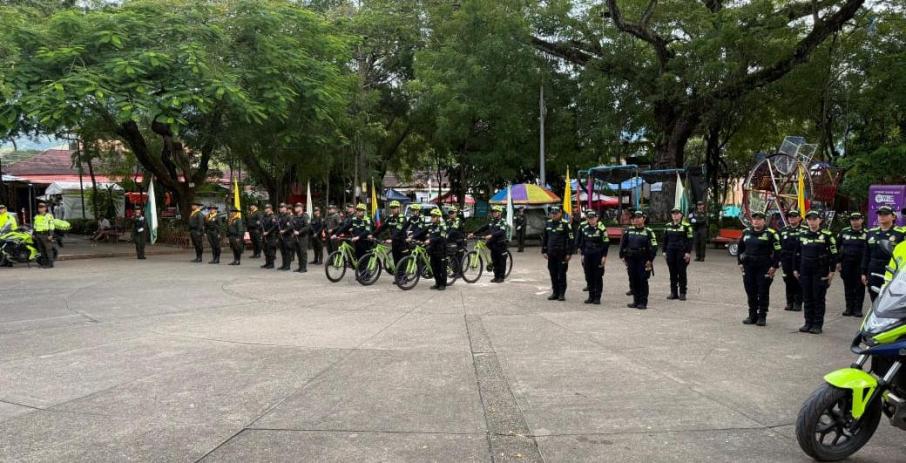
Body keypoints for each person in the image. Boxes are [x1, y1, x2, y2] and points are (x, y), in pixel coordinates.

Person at [794, 210, 838, 334]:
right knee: (807, 297)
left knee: (818, 298)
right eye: (809, 219)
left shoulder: (827, 235)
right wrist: (795, 269)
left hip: (820, 271)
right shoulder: (802, 235)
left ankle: (817, 324)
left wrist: (832, 271)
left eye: (814, 219)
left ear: (820, 220)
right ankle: (808, 322)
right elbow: (796, 254)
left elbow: (834, 254)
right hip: (805, 270)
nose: (812, 222)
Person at [737, 211, 781, 326]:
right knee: (750, 292)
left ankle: (762, 316)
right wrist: (740, 263)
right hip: (748, 267)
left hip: (764, 267)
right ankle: (752, 315)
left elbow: (778, 251)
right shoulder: (746, 232)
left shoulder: (771, 233)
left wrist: (774, 266)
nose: (756, 221)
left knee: (762, 292)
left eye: (759, 219)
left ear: (764, 220)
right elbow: (740, 248)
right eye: (754, 219)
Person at [862, 206, 905, 302]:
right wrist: (863, 272)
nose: (882, 216)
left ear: (893, 217)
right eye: (880, 214)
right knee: (874, 297)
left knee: (890, 299)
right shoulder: (871, 233)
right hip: (873, 269)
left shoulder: (901, 233)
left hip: (891, 270)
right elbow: (866, 254)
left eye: (885, 214)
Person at [620, 210, 657, 309]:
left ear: (644, 219)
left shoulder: (649, 231)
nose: (636, 219)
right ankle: (635, 301)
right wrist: (622, 256)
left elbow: (654, 247)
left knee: (642, 280)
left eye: (639, 217)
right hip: (631, 258)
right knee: (633, 279)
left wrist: (650, 260)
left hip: (643, 259)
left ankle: (643, 302)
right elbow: (623, 244)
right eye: (635, 218)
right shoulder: (629, 230)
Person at [837, 212, 868, 317]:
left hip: (860, 264)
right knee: (848, 286)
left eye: (857, 219)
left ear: (862, 220)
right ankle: (849, 308)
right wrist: (838, 262)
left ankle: (858, 309)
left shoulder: (867, 233)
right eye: (852, 219)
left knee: (860, 286)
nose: (855, 221)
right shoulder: (844, 232)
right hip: (847, 264)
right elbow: (836, 247)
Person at [469, 205, 510, 283]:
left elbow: (501, 231)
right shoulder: (492, 221)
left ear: (500, 213)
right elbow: (483, 228)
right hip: (494, 244)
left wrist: (491, 235)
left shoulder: (503, 221)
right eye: (493, 212)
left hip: (501, 244)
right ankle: (496, 276)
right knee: (494, 261)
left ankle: (501, 277)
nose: (494, 213)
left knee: (501, 261)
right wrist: (473, 233)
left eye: (495, 212)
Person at [541, 206, 574, 301]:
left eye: (556, 213)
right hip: (551, 253)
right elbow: (545, 238)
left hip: (562, 253)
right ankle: (555, 292)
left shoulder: (565, 224)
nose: (554, 215)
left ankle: (561, 294)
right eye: (552, 213)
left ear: (560, 213)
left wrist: (569, 253)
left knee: (561, 273)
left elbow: (571, 240)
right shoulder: (548, 223)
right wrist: (544, 250)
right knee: (553, 273)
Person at [576, 210, 609, 305]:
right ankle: (591, 296)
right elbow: (582, 241)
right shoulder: (584, 228)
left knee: (598, 276)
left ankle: (597, 297)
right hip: (587, 254)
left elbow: (606, 243)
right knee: (589, 275)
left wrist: (604, 256)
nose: (591, 220)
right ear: (587, 219)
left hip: (598, 255)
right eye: (589, 219)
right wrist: (582, 253)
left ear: (596, 218)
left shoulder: (601, 228)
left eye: (593, 218)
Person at [412, 208, 448, 290]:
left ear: (438, 217)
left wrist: (430, 240)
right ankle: (437, 283)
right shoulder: (431, 226)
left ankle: (443, 284)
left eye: (434, 216)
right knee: (434, 268)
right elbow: (421, 233)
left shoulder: (443, 226)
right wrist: (412, 237)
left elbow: (441, 238)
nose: (432, 218)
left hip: (441, 250)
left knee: (442, 268)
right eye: (432, 216)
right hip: (433, 250)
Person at [662, 207, 693, 300]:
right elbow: (665, 240)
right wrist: (664, 251)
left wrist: (688, 252)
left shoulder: (687, 226)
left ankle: (682, 293)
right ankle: (673, 292)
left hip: (681, 252)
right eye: (673, 214)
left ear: (681, 215)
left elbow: (690, 240)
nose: (675, 215)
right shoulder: (667, 226)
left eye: (677, 213)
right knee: (672, 273)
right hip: (670, 252)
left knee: (682, 272)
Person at [779, 210, 805, 311]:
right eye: (789, 216)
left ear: (799, 218)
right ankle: (790, 302)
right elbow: (778, 246)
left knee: (798, 281)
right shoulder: (783, 230)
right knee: (788, 281)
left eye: (794, 216)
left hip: (800, 260)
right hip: (786, 260)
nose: (791, 218)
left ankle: (798, 303)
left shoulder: (804, 230)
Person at [32, 201, 55, 268]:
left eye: (42, 207)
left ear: (45, 208)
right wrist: (33, 234)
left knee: (48, 249)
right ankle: (45, 263)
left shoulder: (49, 216)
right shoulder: (36, 217)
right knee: (41, 250)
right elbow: (35, 226)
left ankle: (50, 264)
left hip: (46, 234)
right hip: (38, 235)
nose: (40, 209)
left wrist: (51, 235)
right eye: (39, 208)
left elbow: (52, 225)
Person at [290, 203, 311, 272]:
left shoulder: (305, 216)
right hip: (296, 237)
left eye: (297, 207)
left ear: (301, 208)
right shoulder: (295, 217)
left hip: (303, 237)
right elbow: (292, 225)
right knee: (298, 253)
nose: (295, 208)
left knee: (303, 253)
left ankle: (304, 268)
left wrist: (299, 232)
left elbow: (307, 227)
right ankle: (300, 267)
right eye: (295, 207)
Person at [446, 206, 466, 277]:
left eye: (452, 213)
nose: (451, 214)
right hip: (452, 241)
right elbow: (445, 229)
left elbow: (453, 230)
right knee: (452, 257)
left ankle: (460, 273)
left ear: (456, 213)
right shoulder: (448, 221)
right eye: (450, 213)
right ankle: (455, 272)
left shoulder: (458, 220)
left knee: (459, 257)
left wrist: (447, 235)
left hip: (460, 241)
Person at [260, 204, 278, 269]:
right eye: (265, 208)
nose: (265, 209)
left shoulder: (273, 217)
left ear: (270, 209)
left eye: (267, 208)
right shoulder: (264, 216)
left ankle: (271, 264)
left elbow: (274, 226)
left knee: (271, 251)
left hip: (271, 236)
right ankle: (267, 263)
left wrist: (268, 232)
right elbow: (262, 225)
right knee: (266, 250)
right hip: (264, 235)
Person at [277, 203, 293, 271]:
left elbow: (291, 226)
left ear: (285, 208)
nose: (280, 208)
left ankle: (287, 266)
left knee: (287, 252)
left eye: (282, 207)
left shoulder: (289, 217)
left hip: (287, 236)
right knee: (283, 252)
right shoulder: (279, 216)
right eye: (280, 207)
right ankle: (284, 265)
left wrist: (284, 231)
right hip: (281, 236)